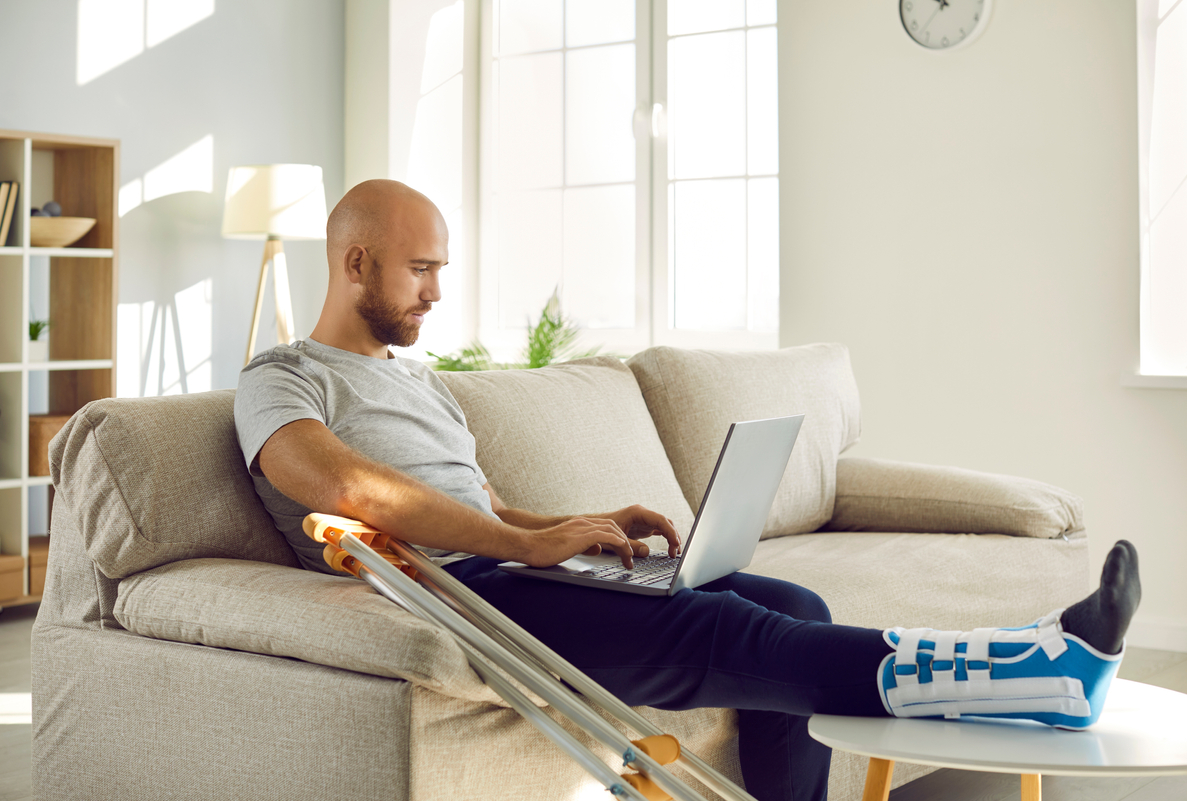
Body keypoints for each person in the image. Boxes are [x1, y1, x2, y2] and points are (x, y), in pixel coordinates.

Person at [234, 179, 1141, 801]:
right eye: (419, 267)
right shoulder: (281, 377)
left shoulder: (420, 381)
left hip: (509, 568)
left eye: (439, 269)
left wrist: (574, 526)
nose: (435, 290)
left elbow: (489, 501)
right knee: (726, 629)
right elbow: (339, 483)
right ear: (355, 264)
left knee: (793, 597)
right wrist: (526, 547)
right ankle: (1031, 669)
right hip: (461, 594)